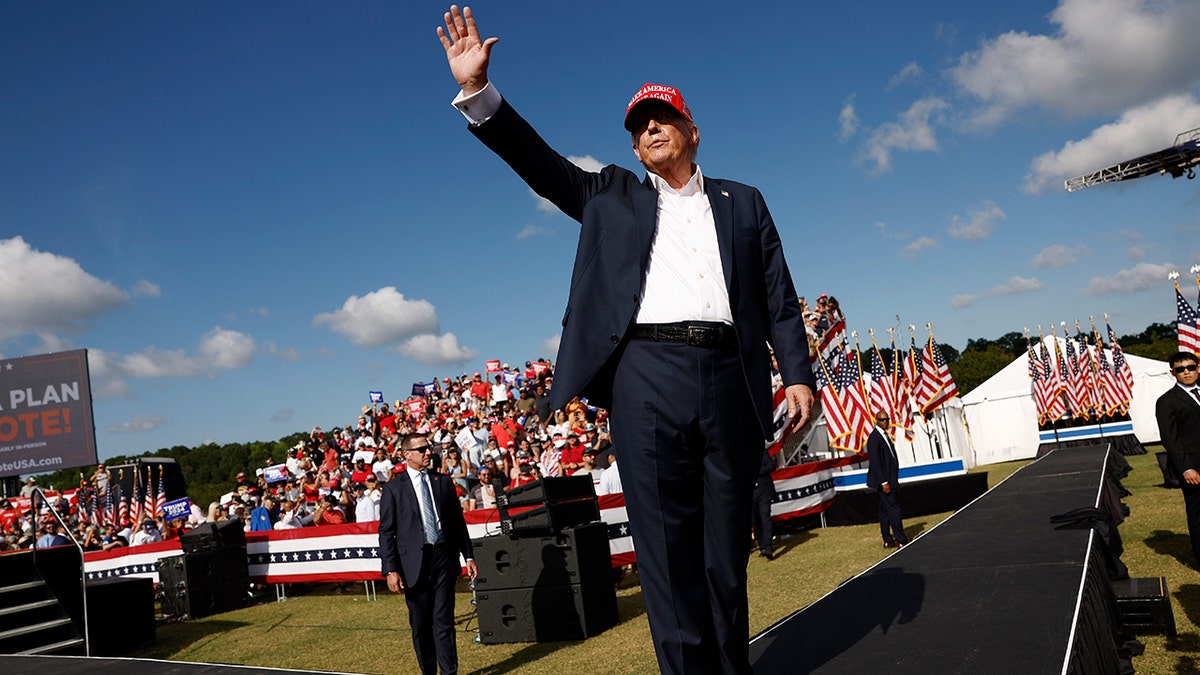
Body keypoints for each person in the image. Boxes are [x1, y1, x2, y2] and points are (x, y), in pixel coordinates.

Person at [437, 8, 814, 673]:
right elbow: (542, 165)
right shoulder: (611, 195)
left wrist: (801, 375)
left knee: (725, 554)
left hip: (732, 376)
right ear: (636, 150)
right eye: (639, 127)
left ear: (692, 131)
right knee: (667, 562)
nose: (648, 129)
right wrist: (481, 95)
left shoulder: (744, 201)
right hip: (647, 376)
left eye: (660, 117)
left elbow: (779, 297)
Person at [378, 434, 478, 675]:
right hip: (413, 564)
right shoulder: (393, 489)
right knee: (421, 625)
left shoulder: (442, 482)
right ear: (406, 455)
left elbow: (457, 523)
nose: (428, 453)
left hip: (443, 558)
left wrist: (469, 555)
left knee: (444, 622)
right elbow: (386, 532)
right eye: (421, 449)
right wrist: (390, 570)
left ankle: (449, 672)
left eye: (429, 448)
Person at [1155, 351, 1200, 567]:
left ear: (1198, 368)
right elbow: (1170, 439)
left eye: (1190, 367)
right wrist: (1186, 468)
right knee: (1198, 513)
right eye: (1181, 369)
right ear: (1173, 373)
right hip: (1193, 467)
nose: (1187, 372)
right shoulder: (1166, 402)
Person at [866, 412, 908, 549]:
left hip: (890, 479)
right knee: (894, 509)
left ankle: (888, 540)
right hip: (883, 481)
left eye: (887, 420)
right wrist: (884, 482)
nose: (885, 422)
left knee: (884, 511)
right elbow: (875, 462)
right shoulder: (874, 438)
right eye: (882, 420)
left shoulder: (885, 436)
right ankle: (901, 540)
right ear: (876, 420)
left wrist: (893, 480)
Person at [751, 450, 777, 559]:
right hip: (751, 494)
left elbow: (772, 466)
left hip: (764, 491)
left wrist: (758, 471)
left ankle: (768, 547)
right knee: (755, 521)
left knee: (765, 518)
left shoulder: (762, 453)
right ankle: (762, 546)